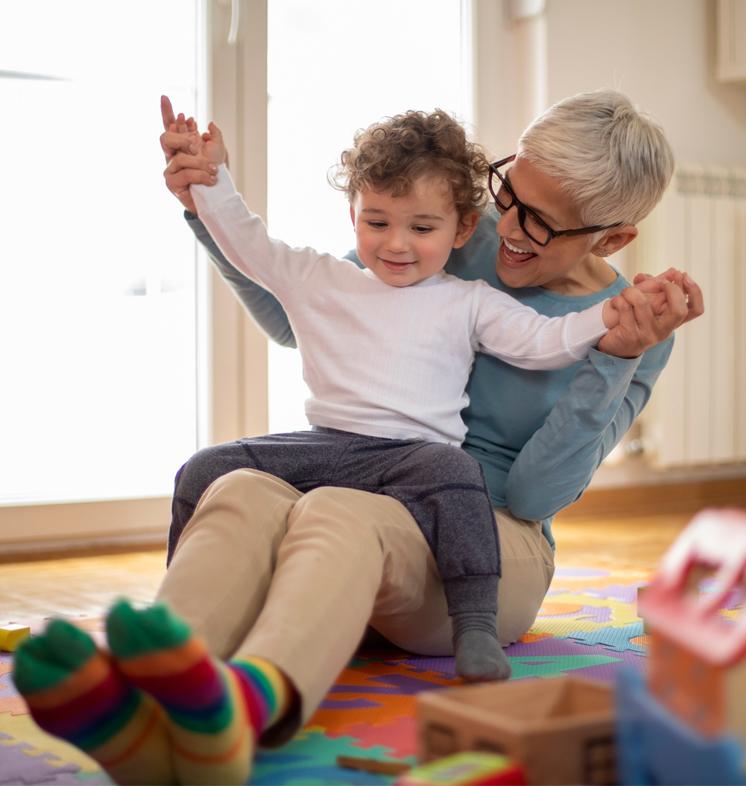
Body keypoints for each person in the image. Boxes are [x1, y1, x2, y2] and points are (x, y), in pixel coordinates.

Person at [12, 90, 703, 786]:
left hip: (491, 542)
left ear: (612, 239)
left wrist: (614, 357)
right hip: (368, 484)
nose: (509, 226)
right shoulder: (457, 231)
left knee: (336, 509)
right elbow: (303, 311)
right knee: (242, 486)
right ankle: (144, 697)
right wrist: (204, 209)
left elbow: (535, 492)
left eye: (542, 224)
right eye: (507, 191)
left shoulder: (628, 325)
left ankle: (249, 709)